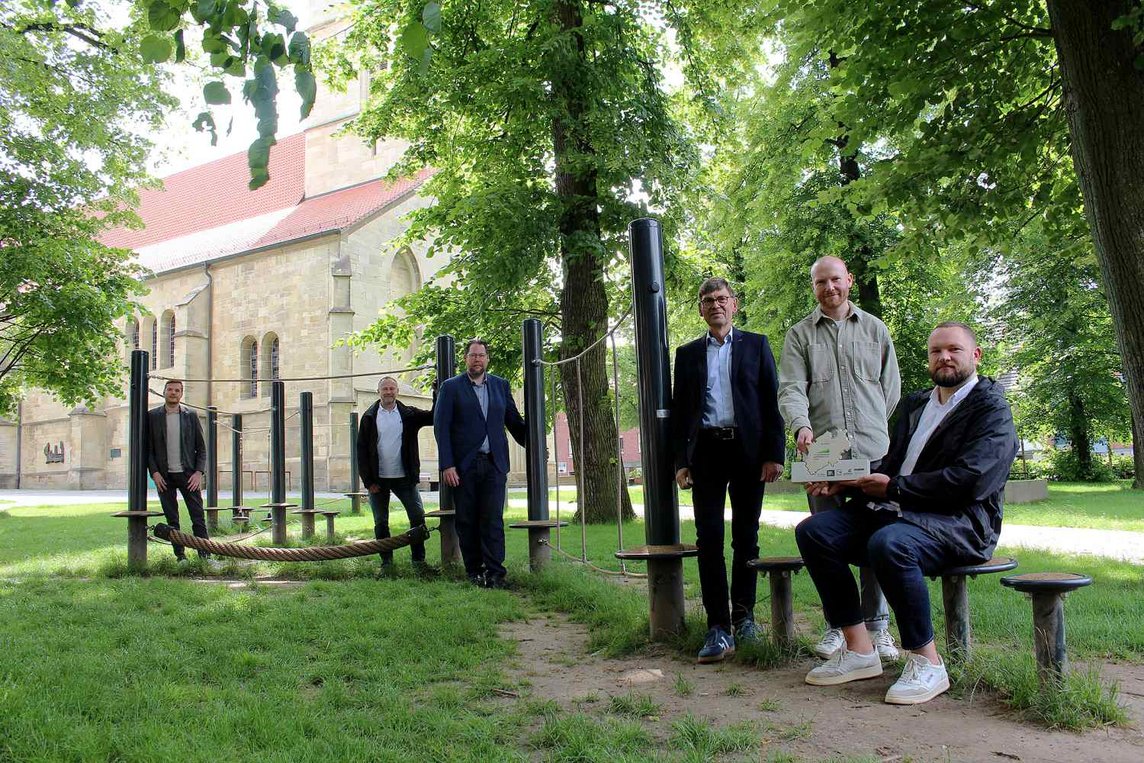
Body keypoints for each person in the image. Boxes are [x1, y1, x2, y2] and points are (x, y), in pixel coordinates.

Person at [795, 322, 1017, 705]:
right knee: (815, 531)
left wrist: (894, 489)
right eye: (936, 351)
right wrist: (842, 480)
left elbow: (972, 480)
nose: (944, 357)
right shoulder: (917, 404)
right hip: (900, 512)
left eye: (954, 349)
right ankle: (860, 650)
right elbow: (892, 462)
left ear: (975, 355)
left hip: (959, 523)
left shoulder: (992, 409)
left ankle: (927, 663)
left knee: (890, 543)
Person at [778, 256, 902, 661]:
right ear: (813, 287)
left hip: (872, 451)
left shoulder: (875, 329)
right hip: (822, 451)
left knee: (876, 538)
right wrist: (801, 426)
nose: (829, 288)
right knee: (824, 539)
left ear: (849, 280)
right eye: (820, 282)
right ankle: (838, 626)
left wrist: (868, 429)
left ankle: (878, 627)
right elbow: (791, 388)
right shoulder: (799, 335)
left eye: (835, 279)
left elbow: (891, 389)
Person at [672, 277, 785, 663]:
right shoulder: (686, 355)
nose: (715, 305)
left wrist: (775, 455)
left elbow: (772, 402)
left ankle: (745, 617)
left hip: (749, 453)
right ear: (700, 309)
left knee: (746, 537)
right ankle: (718, 627)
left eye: (722, 299)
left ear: (734, 305)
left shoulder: (756, 345)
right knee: (708, 540)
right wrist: (681, 462)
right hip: (705, 452)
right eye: (708, 300)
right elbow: (681, 412)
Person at [434, 339, 527, 589]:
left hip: (495, 464)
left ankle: (496, 573)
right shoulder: (451, 387)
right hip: (464, 467)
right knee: (467, 521)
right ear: (466, 359)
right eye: (473, 355)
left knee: (493, 519)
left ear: (487, 359)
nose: (477, 359)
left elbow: (514, 422)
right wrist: (447, 465)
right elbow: (441, 428)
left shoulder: (500, 386)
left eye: (481, 355)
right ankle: (474, 571)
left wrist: (536, 446)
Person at [357, 376, 434, 571]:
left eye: (392, 388)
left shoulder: (408, 414)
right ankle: (387, 563)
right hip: (378, 480)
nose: (389, 392)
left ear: (397, 391)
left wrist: (437, 392)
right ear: (379, 392)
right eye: (385, 389)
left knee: (417, 516)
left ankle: (418, 561)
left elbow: (433, 416)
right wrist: (368, 482)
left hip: (404, 478)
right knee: (381, 522)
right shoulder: (369, 417)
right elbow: (361, 451)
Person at [146, 379, 210, 564]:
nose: (173, 393)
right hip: (164, 477)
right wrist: (155, 473)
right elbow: (149, 450)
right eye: (170, 390)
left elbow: (202, 449)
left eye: (177, 390)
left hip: (189, 475)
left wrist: (199, 473)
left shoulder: (190, 415)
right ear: (164, 392)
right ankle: (180, 557)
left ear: (181, 394)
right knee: (172, 519)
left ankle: (205, 556)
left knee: (198, 517)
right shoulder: (153, 416)